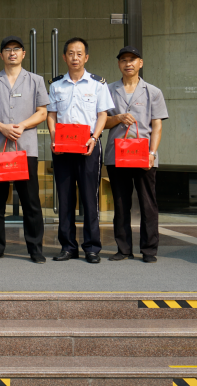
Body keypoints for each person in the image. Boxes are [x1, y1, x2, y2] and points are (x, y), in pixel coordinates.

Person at [0, 36, 49, 264]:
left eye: (16, 49)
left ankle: (35, 249)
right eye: (8, 49)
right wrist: (2, 127)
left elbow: (42, 112)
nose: (12, 53)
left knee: (31, 202)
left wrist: (22, 126)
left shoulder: (36, 81)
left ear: (23, 54)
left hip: (25, 149)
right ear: (1, 55)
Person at [46, 37, 114, 264]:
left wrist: (94, 138)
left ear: (86, 57)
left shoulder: (98, 84)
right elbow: (51, 114)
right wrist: (54, 138)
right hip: (63, 149)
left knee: (89, 198)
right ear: (64, 57)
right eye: (70, 54)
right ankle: (68, 246)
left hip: (88, 147)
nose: (75, 58)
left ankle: (92, 247)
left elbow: (103, 114)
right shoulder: (56, 85)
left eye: (79, 54)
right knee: (65, 198)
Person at [104, 46, 168, 264]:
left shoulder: (153, 92)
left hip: (143, 156)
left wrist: (152, 153)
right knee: (121, 204)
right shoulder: (109, 90)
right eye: (123, 60)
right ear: (118, 64)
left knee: (148, 203)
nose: (128, 63)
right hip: (117, 155)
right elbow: (102, 122)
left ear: (140, 63)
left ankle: (149, 250)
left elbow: (157, 126)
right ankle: (123, 249)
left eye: (132, 59)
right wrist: (118, 118)